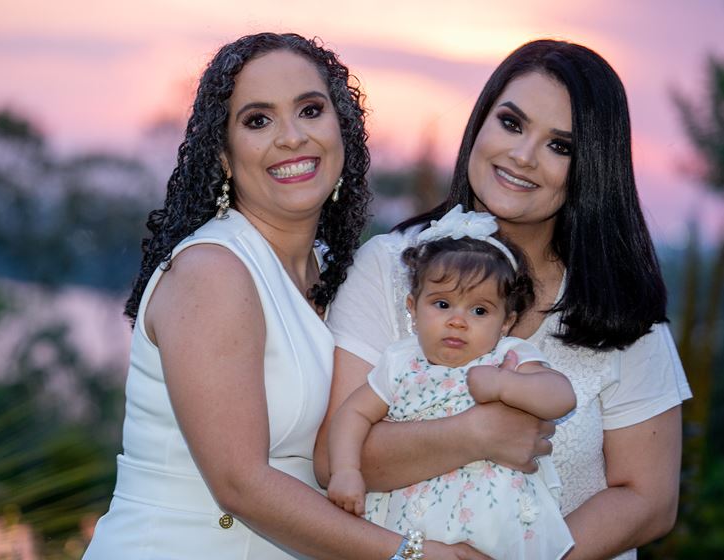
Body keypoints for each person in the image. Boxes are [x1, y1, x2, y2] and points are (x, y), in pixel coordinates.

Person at [84, 33, 487, 560]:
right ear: (224, 157)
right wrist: (415, 553)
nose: (292, 137)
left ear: (340, 128)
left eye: (310, 110)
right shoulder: (212, 270)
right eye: (258, 120)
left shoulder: (336, 271)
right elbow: (240, 484)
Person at [315, 39, 692, 559]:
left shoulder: (618, 305)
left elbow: (650, 500)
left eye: (560, 146)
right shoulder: (390, 266)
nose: (522, 155)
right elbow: (333, 459)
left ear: (592, 169)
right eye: (511, 123)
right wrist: (473, 433)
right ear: (481, 122)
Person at [327, 205, 577, 559]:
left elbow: (561, 397)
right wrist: (346, 470)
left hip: (498, 526)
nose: (458, 321)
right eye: (442, 304)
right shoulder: (401, 362)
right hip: (415, 524)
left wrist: (506, 385)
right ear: (413, 308)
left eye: (479, 311)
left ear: (506, 321)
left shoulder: (507, 356)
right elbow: (352, 414)